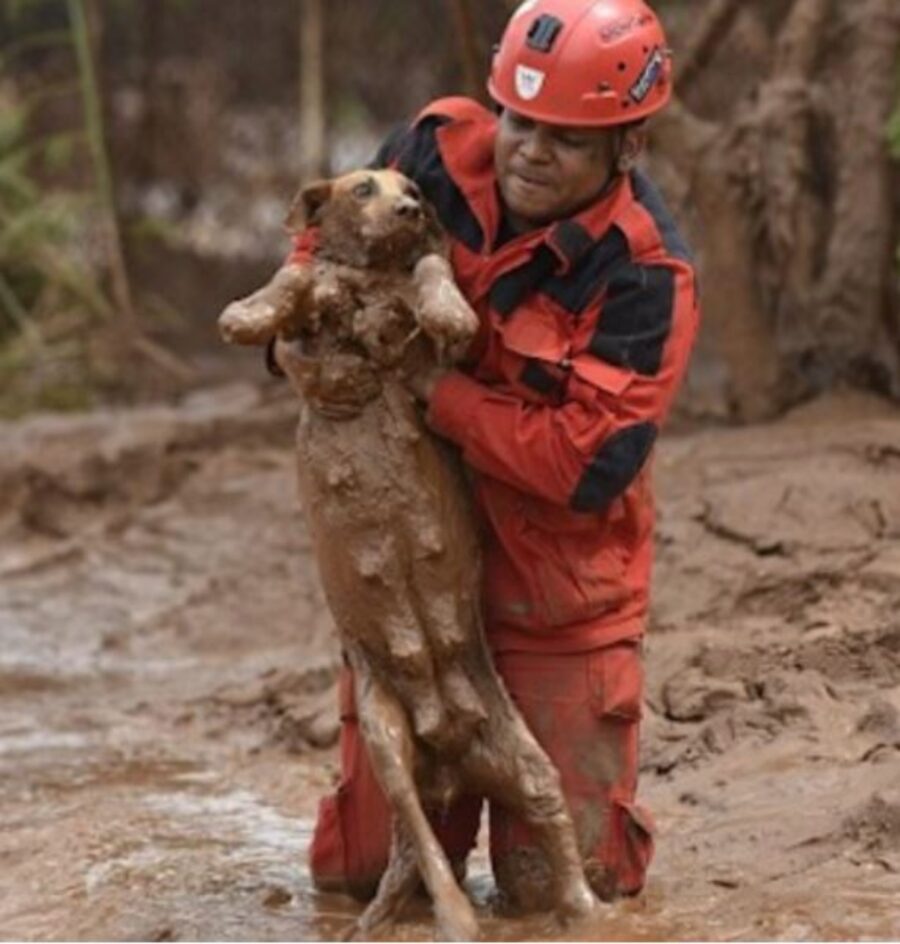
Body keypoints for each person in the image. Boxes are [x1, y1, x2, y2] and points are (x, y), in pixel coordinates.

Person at [299, 0, 699, 910]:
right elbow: (324, 247)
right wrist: (297, 345)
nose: (529, 149)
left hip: (555, 597)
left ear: (627, 147)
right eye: (521, 120)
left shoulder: (645, 275)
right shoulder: (429, 153)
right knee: (366, 880)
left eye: (566, 137)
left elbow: (585, 462)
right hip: (407, 578)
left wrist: (433, 394)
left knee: (558, 891)